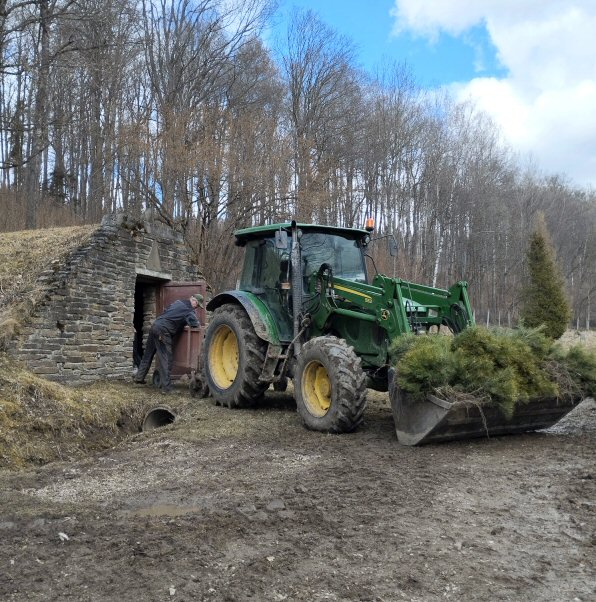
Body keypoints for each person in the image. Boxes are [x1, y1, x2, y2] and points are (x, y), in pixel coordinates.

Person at [134, 293, 203, 393]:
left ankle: (139, 378)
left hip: (155, 326)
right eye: (197, 305)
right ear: (194, 301)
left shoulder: (178, 302)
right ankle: (166, 388)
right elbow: (195, 324)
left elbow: (167, 312)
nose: (196, 307)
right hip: (163, 331)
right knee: (166, 359)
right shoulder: (189, 310)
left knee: (148, 355)